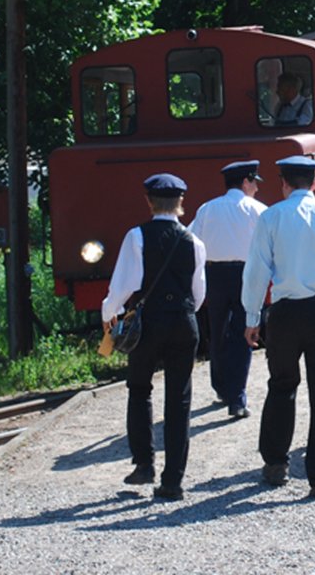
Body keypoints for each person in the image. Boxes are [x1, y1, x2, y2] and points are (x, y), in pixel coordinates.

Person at [242, 156, 315, 501]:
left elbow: (256, 272)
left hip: (284, 313)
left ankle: (276, 464)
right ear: (314, 183)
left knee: (281, 386)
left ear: (284, 183)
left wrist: (251, 318)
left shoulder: (271, 217)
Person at [102, 173, 207, 502]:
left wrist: (109, 315)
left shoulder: (137, 236)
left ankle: (144, 464)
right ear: (180, 203)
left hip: (148, 324)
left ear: (149, 202)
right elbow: (199, 292)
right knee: (179, 400)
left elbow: (124, 285)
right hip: (184, 322)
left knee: (139, 389)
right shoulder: (194, 241)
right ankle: (173, 481)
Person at [189, 160, 268, 419]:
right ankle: (237, 398)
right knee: (244, 334)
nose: (256, 188)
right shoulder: (258, 210)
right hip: (245, 275)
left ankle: (221, 387)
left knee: (217, 330)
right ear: (245, 182)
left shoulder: (207, 209)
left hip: (213, 274)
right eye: (254, 182)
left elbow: (191, 241)